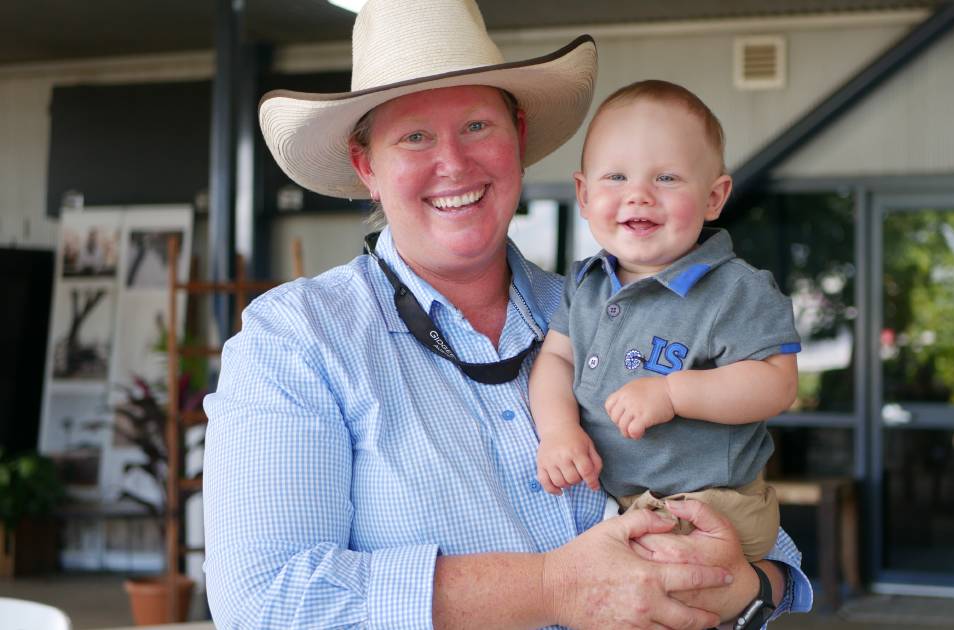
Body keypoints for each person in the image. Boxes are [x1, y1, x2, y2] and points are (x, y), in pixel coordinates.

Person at [203, 0, 813, 627]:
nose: (454, 164)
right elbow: (265, 599)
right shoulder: (297, 338)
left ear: (518, 138)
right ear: (367, 167)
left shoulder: (596, 306)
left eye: (476, 126)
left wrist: (750, 585)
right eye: (414, 136)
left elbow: (767, 558)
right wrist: (553, 586)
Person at [530, 80, 801, 563]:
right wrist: (558, 431)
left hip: (710, 504)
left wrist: (674, 393)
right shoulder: (586, 283)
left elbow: (776, 385)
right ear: (584, 193)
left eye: (667, 179)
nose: (638, 196)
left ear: (714, 197)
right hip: (623, 503)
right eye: (615, 177)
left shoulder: (734, 289)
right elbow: (554, 358)